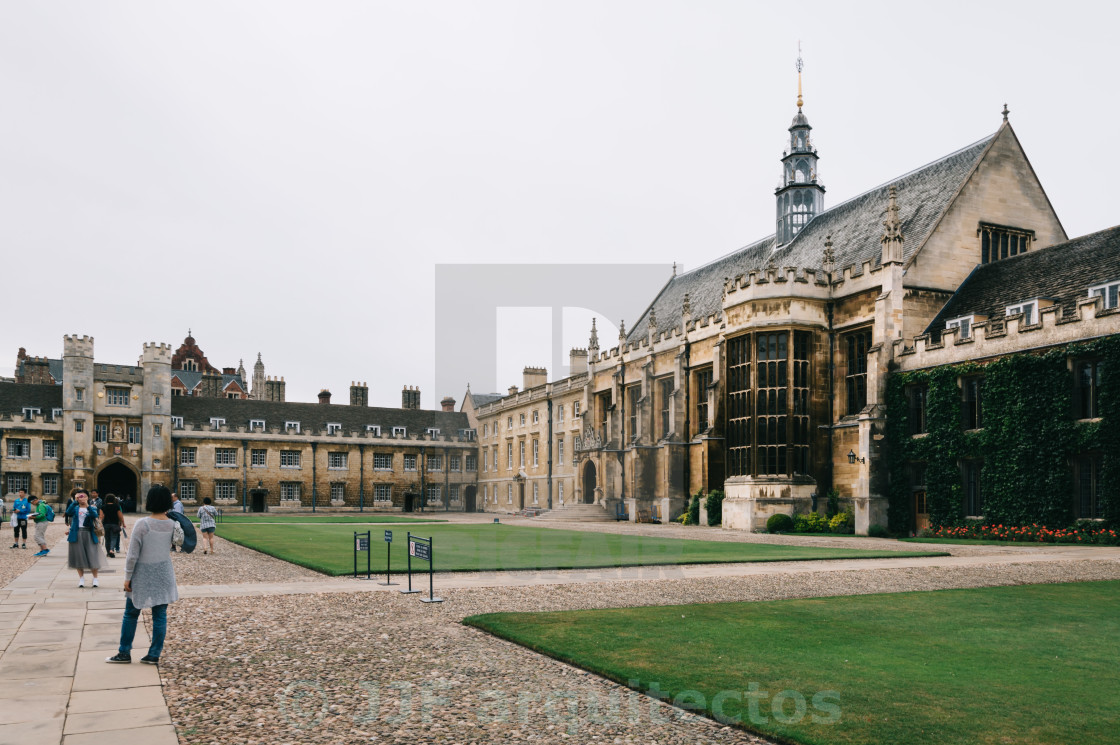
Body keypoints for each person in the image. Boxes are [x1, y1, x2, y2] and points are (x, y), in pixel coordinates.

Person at [106, 484, 181, 665]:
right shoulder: (173, 524)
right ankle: (154, 654)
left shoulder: (143, 524)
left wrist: (127, 577)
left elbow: (132, 555)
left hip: (142, 573)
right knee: (160, 615)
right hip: (163, 572)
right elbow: (181, 543)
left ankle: (124, 652)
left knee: (131, 613)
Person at [65, 489, 103, 587]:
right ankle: (81, 579)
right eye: (80, 496)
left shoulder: (92, 507)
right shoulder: (75, 507)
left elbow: (95, 516)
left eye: (84, 496)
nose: (82, 498)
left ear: (87, 497)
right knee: (79, 557)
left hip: (89, 533)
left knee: (92, 556)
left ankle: (95, 579)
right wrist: (75, 501)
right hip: (77, 533)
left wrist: (87, 505)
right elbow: (68, 512)